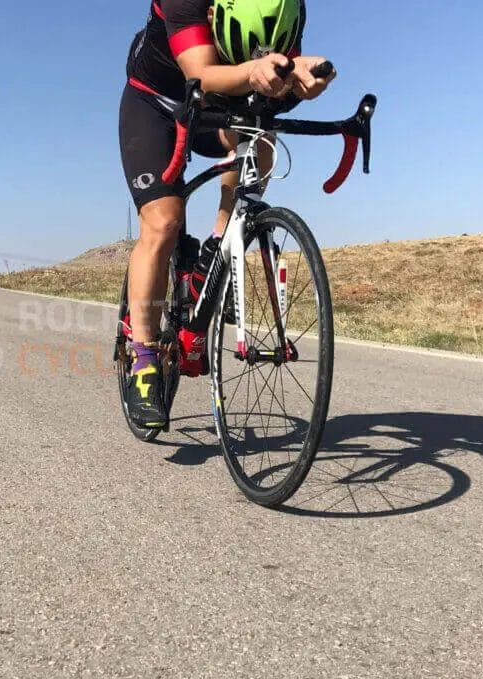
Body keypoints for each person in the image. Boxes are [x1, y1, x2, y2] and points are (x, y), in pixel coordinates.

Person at [119, 0, 334, 428]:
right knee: (163, 222)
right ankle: (143, 360)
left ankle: (220, 244)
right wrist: (255, 73)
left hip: (215, 107)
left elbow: (270, 77)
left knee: (261, 136)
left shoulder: (289, 7)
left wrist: (297, 78)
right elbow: (201, 70)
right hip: (157, 104)